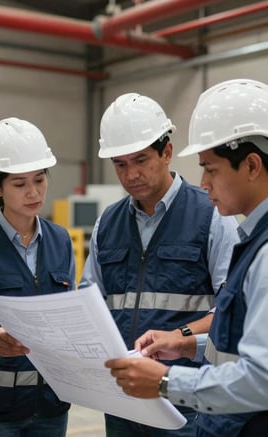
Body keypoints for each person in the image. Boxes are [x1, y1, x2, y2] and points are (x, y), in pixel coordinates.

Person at [105, 79, 268, 437]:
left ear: (252, 165)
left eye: (211, 169)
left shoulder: (257, 248)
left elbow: (261, 377)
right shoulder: (252, 240)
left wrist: (167, 379)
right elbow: (233, 341)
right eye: (120, 164)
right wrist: (184, 343)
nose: (204, 182)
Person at [79, 92, 240, 436]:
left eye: (140, 160)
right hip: (123, 399)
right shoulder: (107, 224)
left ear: (166, 153)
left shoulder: (212, 216)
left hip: (184, 399)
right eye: (120, 164)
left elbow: (230, 312)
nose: (131, 174)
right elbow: (88, 306)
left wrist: (178, 336)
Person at [0, 117, 76, 437]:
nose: (33, 192)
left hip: (52, 406)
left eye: (39, 180)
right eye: (20, 184)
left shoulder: (61, 241)